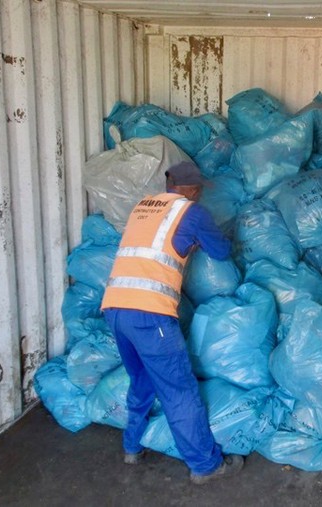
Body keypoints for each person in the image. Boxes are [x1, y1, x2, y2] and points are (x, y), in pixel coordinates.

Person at [101, 160, 243, 484]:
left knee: (141, 380)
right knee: (179, 390)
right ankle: (205, 466)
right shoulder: (191, 213)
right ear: (191, 189)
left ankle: (131, 447)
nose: (199, 196)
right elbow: (220, 251)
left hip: (114, 309)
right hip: (150, 316)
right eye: (199, 191)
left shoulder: (143, 207)